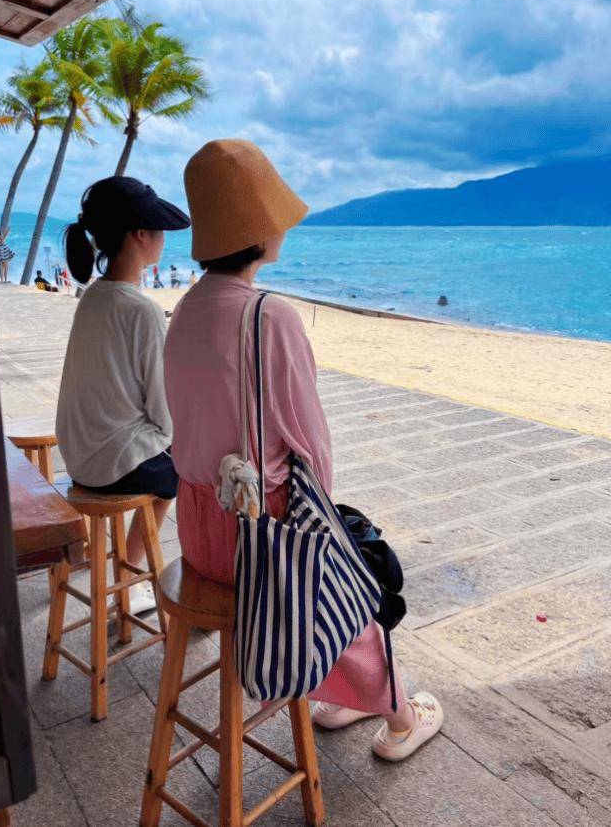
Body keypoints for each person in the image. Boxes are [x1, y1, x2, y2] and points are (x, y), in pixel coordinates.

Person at [164, 140, 443, 762]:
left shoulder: (183, 310)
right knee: (340, 573)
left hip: (197, 531)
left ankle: (346, 694)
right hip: (256, 536)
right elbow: (310, 446)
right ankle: (399, 716)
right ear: (261, 230)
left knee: (323, 565)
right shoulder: (270, 316)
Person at [56, 176, 190, 613]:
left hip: (79, 458)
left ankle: (127, 578)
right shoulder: (141, 310)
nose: (164, 237)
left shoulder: (92, 296)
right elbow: (164, 413)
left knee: (172, 456)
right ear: (139, 234)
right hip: (112, 465)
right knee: (182, 470)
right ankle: (130, 579)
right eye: (159, 229)